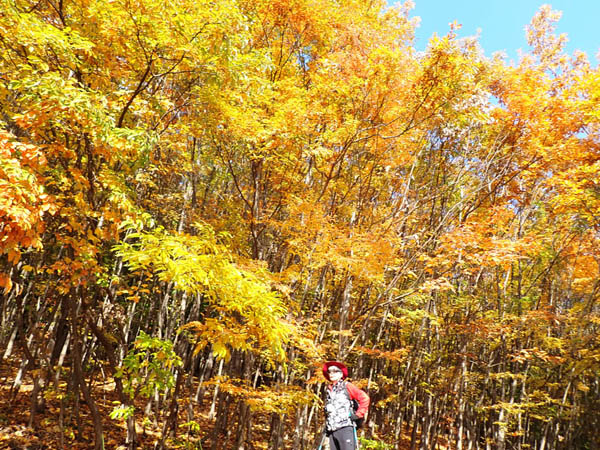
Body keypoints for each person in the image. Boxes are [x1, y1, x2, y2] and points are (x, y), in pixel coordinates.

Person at [322, 361, 370, 450]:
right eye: (329, 371)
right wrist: (327, 425)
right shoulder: (329, 391)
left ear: (341, 374)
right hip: (332, 431)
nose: (331, 373)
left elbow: (364, 398)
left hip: (346, 427)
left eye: (335, 371)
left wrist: (358, 415)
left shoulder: (347, 386)